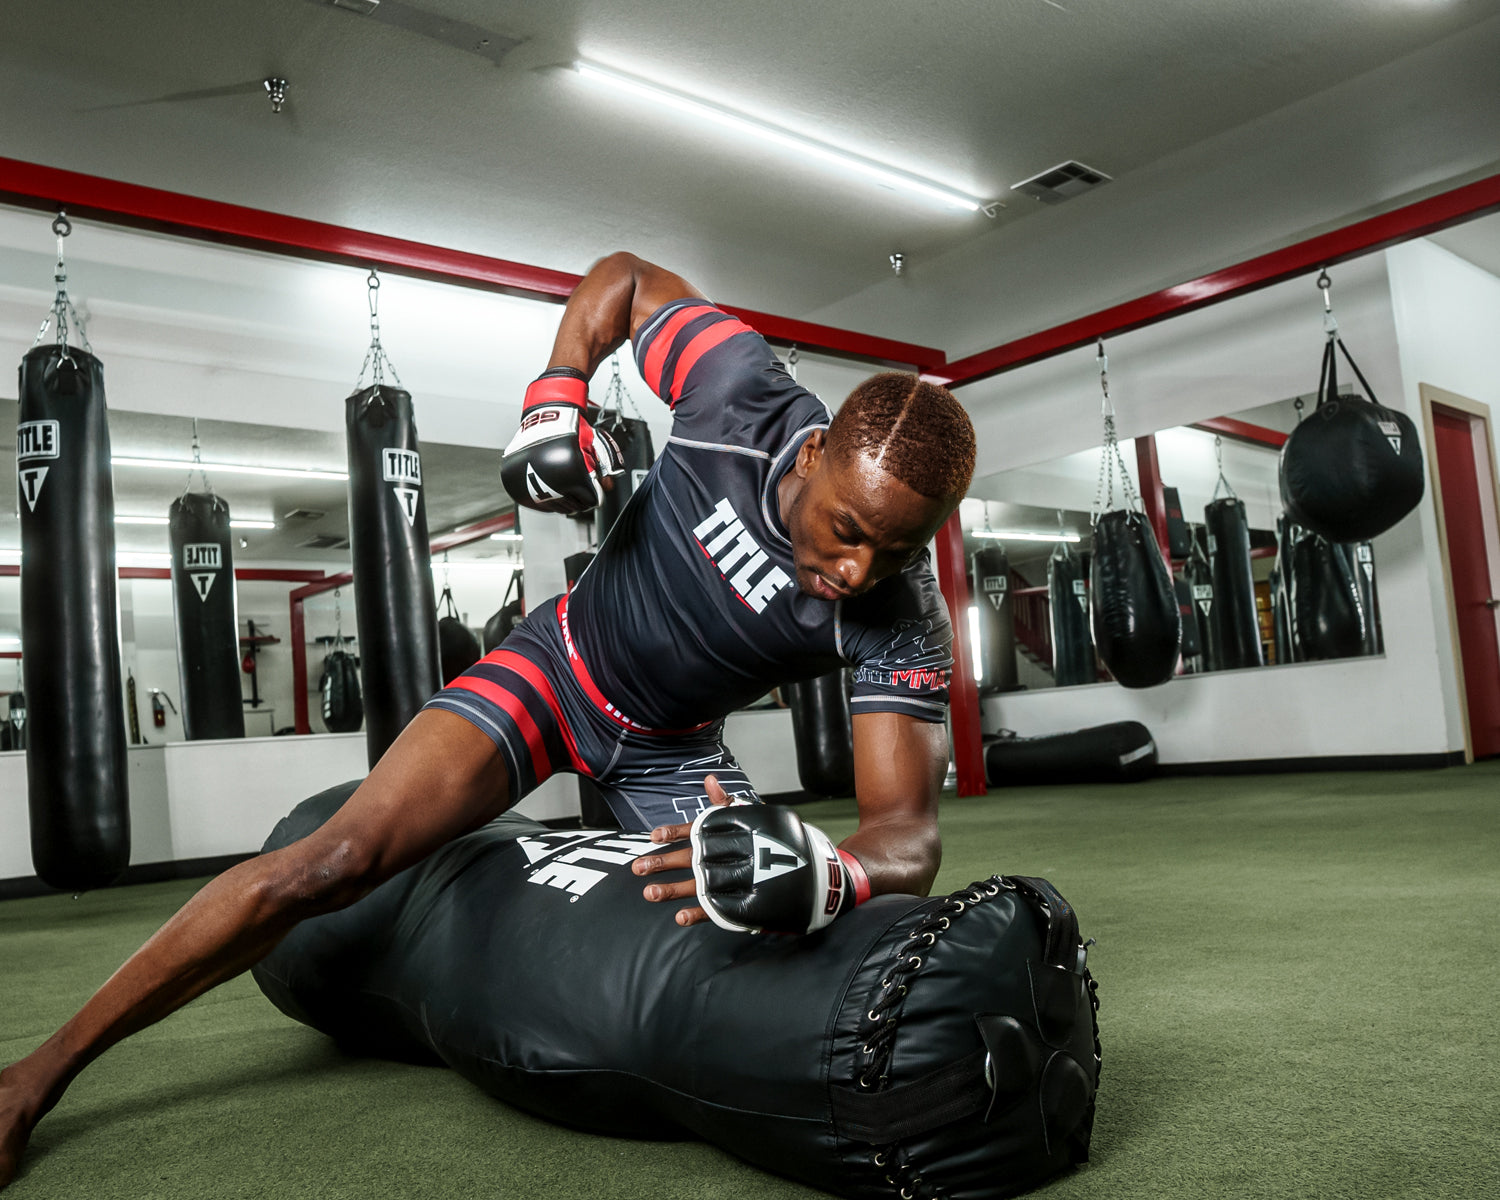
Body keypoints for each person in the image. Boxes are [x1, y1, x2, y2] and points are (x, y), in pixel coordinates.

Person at [0, 252, 975, 1188]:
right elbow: (627, 280)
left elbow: (907, 836)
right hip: (556, 670)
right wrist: (558, 391)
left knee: (762, 936)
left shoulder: (900, 619)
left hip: (671, 755)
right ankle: (35, 1076)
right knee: (327, 866)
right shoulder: (739, 393)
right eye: (848, 530)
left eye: (893, 554)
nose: (856, 573)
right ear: (813, 454)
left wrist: (832, 869)